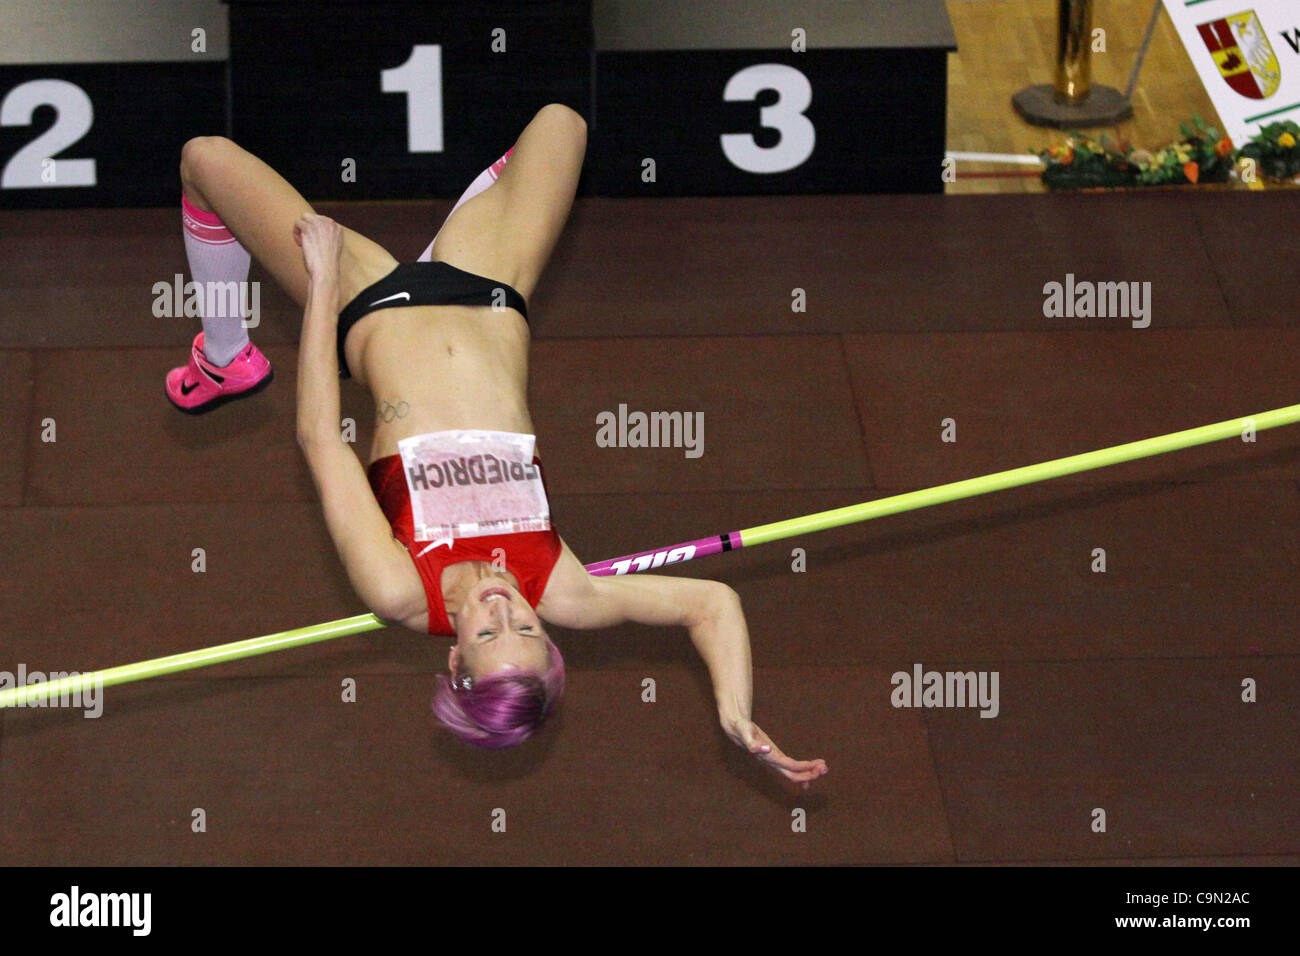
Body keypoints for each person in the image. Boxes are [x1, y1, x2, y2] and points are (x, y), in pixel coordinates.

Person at [167, 103, 827, 785]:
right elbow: (711, 605)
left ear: (454, 659)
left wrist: (325, 283)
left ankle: (225, 355)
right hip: (489, 288)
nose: (504, 607)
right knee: (562, 123)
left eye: (487, 634)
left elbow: (320, 441)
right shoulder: (562, 589)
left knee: (204, 158)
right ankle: (448, 238)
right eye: (529, 630)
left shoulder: (398, 589)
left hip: (365, 302)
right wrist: (735, 710)